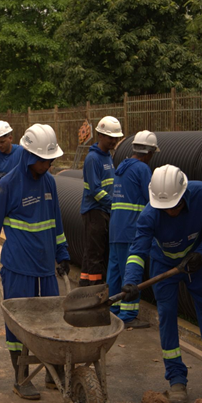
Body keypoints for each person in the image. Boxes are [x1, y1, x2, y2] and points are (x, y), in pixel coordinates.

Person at [121, 165, 202, 403]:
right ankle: (176, 378)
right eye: (164, 208)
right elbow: (137, 251)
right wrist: (131, 281)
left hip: (197, 260)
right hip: (163, 263)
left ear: (184, 195)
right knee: (166, 315)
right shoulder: (149, 215)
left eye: (173, 206)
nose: (170, 212)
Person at [0, 123, 71, 399]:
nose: (47, 164)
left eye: (50, 159)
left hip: (45, 268)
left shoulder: (50, 182)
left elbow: (56, 223)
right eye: (43, 160)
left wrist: (62, 253)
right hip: (18, 268)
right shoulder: (8, 186)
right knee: (18, 324)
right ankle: (21, 377)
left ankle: (54, 373)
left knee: (53, 321)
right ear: (29, 155)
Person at [108, 131, 159, 329]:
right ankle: (128, 315)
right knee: (130, 271)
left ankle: (113, 309)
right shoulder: (142, 169)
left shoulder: (122, 167)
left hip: (116, 228)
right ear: (149, 153)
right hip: (131, 229)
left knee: (114, 271)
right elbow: (151, 199)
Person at [80, 116, 122, 286]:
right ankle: (96, 290)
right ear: (100, 136)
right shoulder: (93, 159)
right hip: (95, 211)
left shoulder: (107, 157)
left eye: (115, 138)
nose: (113, 141)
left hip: (104, 210)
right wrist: (114, 204)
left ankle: (83, 286)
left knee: (93, 251)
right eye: (110, 137)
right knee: (96, 253)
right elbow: (95, 190)